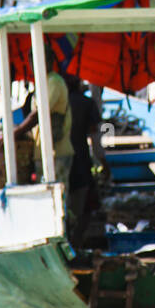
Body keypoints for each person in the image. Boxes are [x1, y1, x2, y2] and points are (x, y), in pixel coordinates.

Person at [13, 43, 73, 186]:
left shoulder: (54, 82)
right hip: (44, 153)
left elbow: (38, 114)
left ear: (48, 60)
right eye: (31, 61)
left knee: (57, 197)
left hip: (56, 153)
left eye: (35, 60)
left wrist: (16, 132)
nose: (33, 65)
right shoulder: (43, 83)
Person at [65, 74, 110, 247]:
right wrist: (104, 164)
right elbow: (95, 140)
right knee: (85, 208)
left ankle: (70, 241)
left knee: (69, 205)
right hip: (81, 162)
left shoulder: (57, 101)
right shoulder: (87, 103)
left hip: (62, 161)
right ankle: (76, 243)